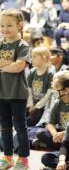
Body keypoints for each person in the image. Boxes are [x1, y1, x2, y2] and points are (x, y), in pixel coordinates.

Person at [0, 9, 31, 170]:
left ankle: (23, 159)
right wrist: (9, 64)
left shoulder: (22, 45)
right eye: (2, 26)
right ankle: (7, 157)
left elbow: (19, 67)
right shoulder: (0, 43)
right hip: (2, 93)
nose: (5, 29)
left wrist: (3, 64)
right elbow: (13, 65)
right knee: (4, 127)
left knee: (20, 127)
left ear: (19, 26)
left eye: (9, 25)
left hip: (18, 93)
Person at [35, 70, 69, 150]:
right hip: (61, 137)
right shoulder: (58, 103)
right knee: (41, 133)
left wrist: (65, 134)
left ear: (66, 90)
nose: (54, 91)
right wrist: (55, 134)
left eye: (56, 88)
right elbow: (50, 123)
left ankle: (64, 151)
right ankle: (63, 150)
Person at [26, 47, 54, 127]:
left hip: (43, 107)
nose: (31, 59)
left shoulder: (50, 73)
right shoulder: (32, 72)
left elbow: (49, 94)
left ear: (44, 58)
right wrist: (31, 105)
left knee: (28, 121)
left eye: (34, 57)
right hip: (31, 105)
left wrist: (37, 106)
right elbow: (29, 90)